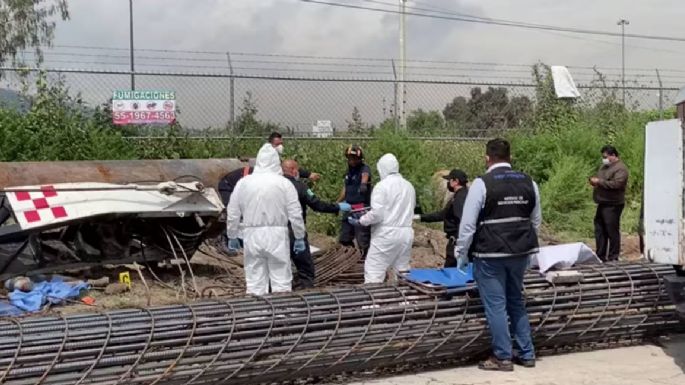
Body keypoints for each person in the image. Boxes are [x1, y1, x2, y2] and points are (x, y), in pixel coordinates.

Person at [455, 138, 541, 371]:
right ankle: (526, 353)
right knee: (516, 301)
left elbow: (468, 225)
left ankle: (502, 356)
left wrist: (461, 252)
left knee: (496, 305)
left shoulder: (482, 184)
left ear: (487, 158)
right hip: (520, 252)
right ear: (510, 157)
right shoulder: (529, 182)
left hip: (490, 254)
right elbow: (535, 221)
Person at [226, 144, 306, 296]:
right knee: (281, 279)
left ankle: (257, 316)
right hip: (277, 235)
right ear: (276, 162)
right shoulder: (284, 183)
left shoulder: (244, 182)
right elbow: (295, 212)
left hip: (251, 235)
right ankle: (281, 315)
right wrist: (299, 236)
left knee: (255, 280)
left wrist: (232, 234)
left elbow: (233, 212)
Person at [282, 159, 352, 288]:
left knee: (279, 270)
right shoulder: (300, 187)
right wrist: (336, 207)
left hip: (276, 232)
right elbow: (317, 204)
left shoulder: (274, 186)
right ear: (294, 170)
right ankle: (306, 297)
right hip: (295, 232)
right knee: (305, 270)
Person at [348, 153, 416, 284]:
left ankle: (373, 303)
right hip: (406, 233)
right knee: (402, 271)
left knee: (374, 270)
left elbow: (378, 214)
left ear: (382, 168)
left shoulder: (382, 186)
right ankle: (405, 301)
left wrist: (361, 220)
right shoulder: (409, 186)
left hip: (386, 234)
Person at [414, 169, 469, 268]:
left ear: (455, 181)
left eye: (449, 180)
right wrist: (419, 217)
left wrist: (460, 243)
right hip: (460, 242)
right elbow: (442, 215)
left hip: (457, 243)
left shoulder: (460, 198)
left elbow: (461, 220)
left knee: (451, 272)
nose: (448, 183)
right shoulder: (461, 195)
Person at [589, 145, 629, 262]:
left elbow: (617, 184)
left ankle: (613, 256)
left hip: (613, 204)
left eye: (606, 156)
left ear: (613, 155)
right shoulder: (605, 166)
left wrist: (599, 182)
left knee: (612, 230)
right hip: (602, 202)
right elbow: (602, 179)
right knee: (600, 229)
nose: (604, 159)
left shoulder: (621, 169)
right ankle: (600, 255)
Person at [337, 145, 372, 257]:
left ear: (359, 158)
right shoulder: (349, 172)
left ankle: (365, 260)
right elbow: (345, 188)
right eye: (349, 158)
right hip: (348, 208)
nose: (351, 160)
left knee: (362, 240)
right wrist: (337, 203)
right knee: (344, 238)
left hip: (361, 209)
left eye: (353, 158)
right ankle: (351, 258)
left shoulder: (364, 169)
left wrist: (363, 184)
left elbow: (365, 176)